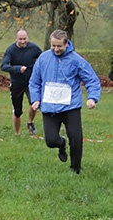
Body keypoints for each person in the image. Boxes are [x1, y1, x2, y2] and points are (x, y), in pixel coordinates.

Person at [29, 30, 100, 174]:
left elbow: (91, 79)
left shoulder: (76, 60)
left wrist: (92, 97)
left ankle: (75, 169)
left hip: (71, 107)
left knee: (76, 139)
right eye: (53, 46)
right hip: (49, 107)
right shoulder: (43, 58)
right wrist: (35, 99)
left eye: (59, 46)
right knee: (50, 141)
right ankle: (61, 144)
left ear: (66, 44)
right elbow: (34, 82)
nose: (56, 49)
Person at [1, 30, 43, 136]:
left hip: (31, 83)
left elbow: (43, 59)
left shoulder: (33, 48)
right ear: (16, 38)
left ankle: (30, 122)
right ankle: (17, 133)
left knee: (34, 104)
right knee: (17, 111)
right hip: (17, 83)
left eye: (25, 39)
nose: (23, 41)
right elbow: (3, 66)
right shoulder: (11, 50)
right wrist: (18, 69)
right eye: (20, 39)